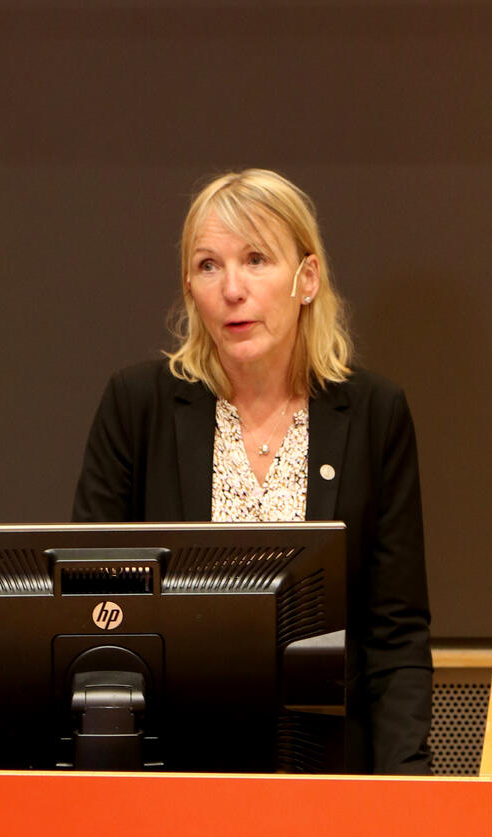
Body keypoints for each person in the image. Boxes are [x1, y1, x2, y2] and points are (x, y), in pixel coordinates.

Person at [72, 169, 432, 775]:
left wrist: (407, 791)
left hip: (329, 770)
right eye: (209, 265)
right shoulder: (138, 407)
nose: (232, 289)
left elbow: (394, 636)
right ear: (190, 287)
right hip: (172, 768)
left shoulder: (375, 414)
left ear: (306, 279)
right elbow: (91, 609)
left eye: (256, 259)